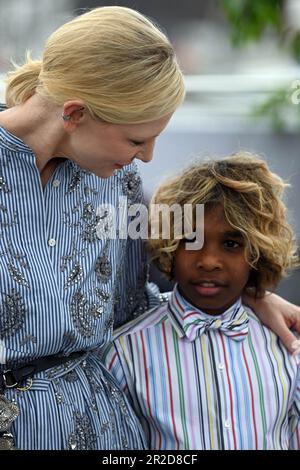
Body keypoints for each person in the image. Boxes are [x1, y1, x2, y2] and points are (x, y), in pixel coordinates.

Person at [0, 5, 299, 451]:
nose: (148, 157)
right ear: (75, 113)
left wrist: (246, 297)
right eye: (137, 139)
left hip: (112, 432)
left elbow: (134, 305)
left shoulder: (118, 179)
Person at [102, 153, 300, 450]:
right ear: (170, 243)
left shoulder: (289, 349)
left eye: (231, 244)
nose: (208, 261)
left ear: (258, 251)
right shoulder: (124, 353)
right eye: (191, 240)